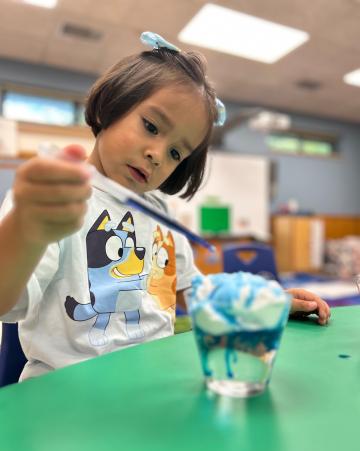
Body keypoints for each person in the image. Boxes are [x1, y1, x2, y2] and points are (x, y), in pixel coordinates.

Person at [0, 32, 330, 381]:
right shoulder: (59, 196)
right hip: (68, 398)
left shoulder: (159, 210)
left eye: (176, 153)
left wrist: (267, 300)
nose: (157, 155)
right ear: (113, 104)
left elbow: (196, 294)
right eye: (151, 126)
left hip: (151, 388)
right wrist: (26, 228)